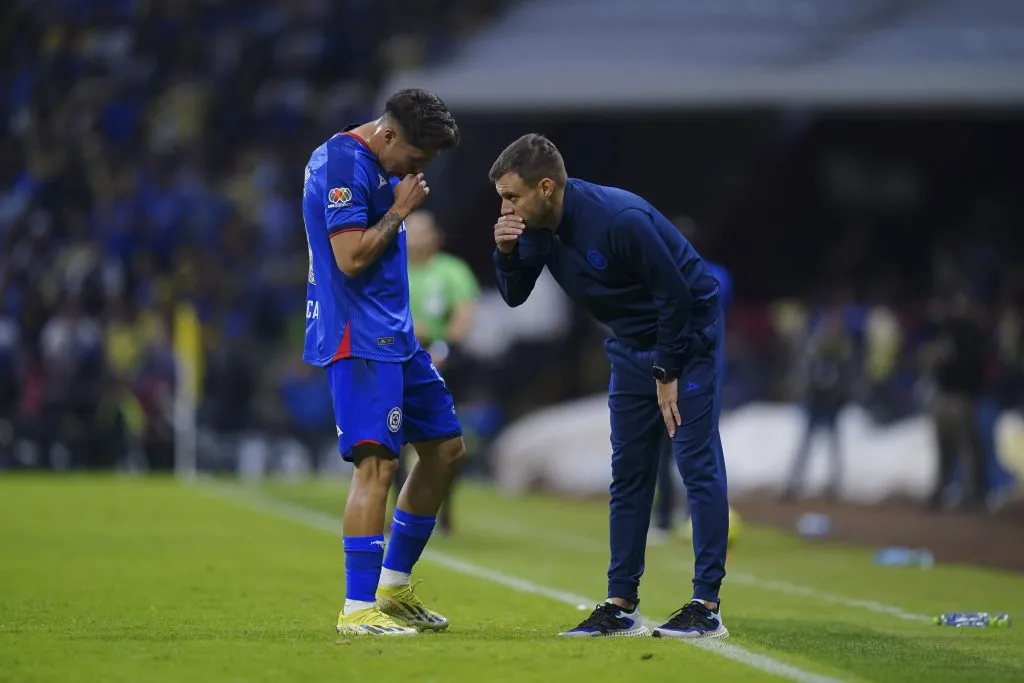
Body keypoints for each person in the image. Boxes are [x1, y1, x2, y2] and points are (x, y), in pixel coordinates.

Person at [490, 134, 729, 640]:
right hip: (629, 343)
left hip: (688, 336)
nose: (505, 207)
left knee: (695, 463)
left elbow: (679, 297)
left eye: (512, 196)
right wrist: (506, 252)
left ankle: (706, 607)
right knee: (629, 474)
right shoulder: (535, 227)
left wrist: (667, 371)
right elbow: (515, 295)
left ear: (547, 187)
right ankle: (621, 606)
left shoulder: (618, 219)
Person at [301, 88, 464, 637]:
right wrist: (399, 211)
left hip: (396, 335)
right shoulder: (344, 163)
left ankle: (393, 585)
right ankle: (357, 608)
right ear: (389, 135)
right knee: (378, 465)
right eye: (414, 160)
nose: (415, 172)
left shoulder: (374, 162)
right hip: (358, 335)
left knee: (445, 448)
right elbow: (348, 258)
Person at [391, 209, 480, 534]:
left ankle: (445, 510)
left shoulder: (452, 271)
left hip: (438, 365)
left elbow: (463, 317)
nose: (415, 236)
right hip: (395, 363)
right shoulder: (392, 267)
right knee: (394, 440)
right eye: (410, 230)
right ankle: (397, 510)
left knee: (445, 442)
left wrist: (438, 348)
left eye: (422, 230)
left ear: (436, 237)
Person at [651, 217, 733, 542]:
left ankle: (693, 520)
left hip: (698, 373)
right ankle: (668, 519)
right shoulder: (711, 275)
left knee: (694, 450)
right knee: (668, 450)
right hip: (671, 372)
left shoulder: (714, 276)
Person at [782, 309, 854, 501]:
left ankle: (834, 486)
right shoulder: (815, 347)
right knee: (806, 445)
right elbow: (806, 373)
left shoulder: (842, 350)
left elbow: (847, 376)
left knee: (833, 446)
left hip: (832, 404)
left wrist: (840, 395)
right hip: (815, 402)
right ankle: (793, 485)